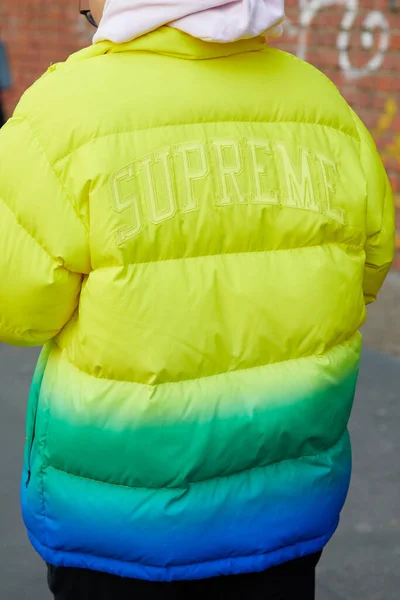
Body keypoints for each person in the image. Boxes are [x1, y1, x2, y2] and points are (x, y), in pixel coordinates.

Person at [0, 1, 394, 598]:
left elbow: (18, 308)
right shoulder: (324, 106)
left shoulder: (61, 114)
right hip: (286, 508)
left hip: (117, 518)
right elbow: (366, 273)